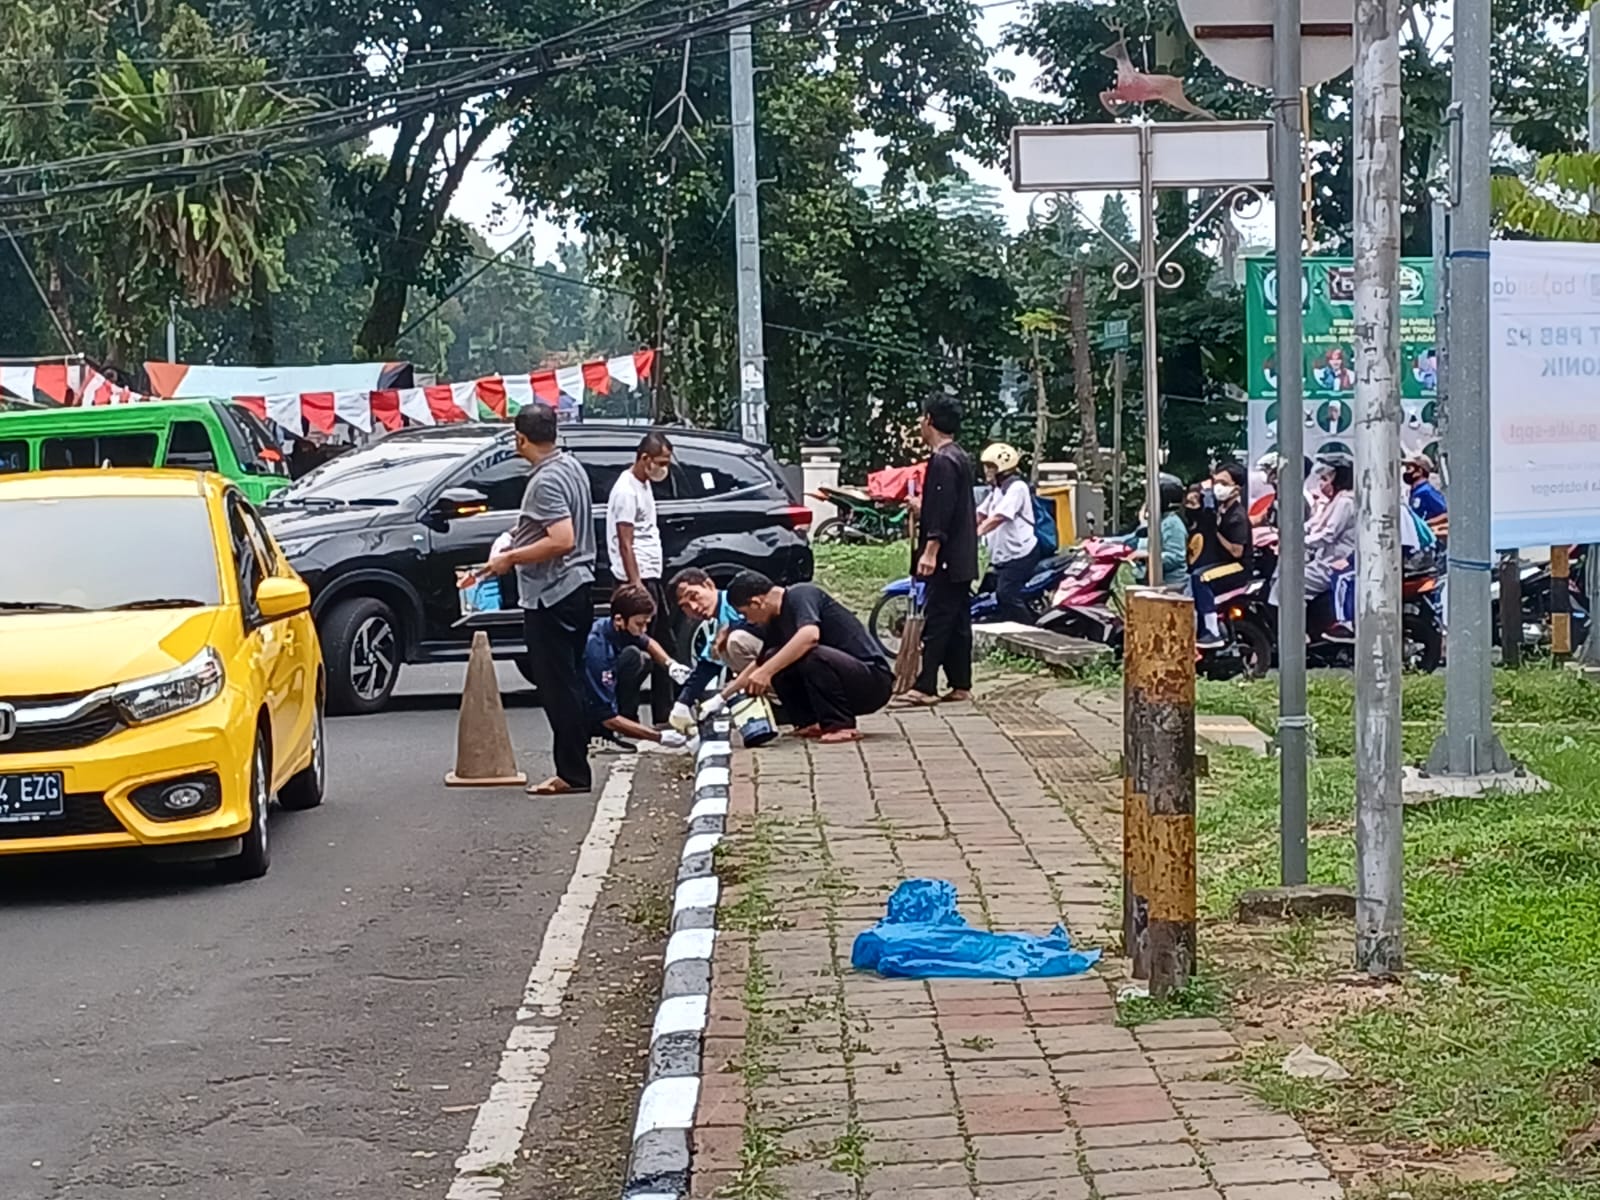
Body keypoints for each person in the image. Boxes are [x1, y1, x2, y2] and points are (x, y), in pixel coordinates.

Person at [485, 403, 597, 796]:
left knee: (558, 685)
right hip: (579, 586)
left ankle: (572, 772)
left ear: (520, 438)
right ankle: (576, 761)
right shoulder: (571, 467)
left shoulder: (546, 481)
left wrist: (511, 557)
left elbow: (562, 539)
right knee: (571, 679)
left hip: (553, 592)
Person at [711, 570, 893, 743]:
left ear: (756, 602)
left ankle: (840, 725)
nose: (749, 621)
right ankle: (808, 721)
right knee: (774, 656)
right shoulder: (773, 621)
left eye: (745, 614)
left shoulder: (801, 595)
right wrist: (721, 698)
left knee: (810, 654)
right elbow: (759, 665)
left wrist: (767, 671)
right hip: (840, 682)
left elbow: (809, 636)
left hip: (872, 680)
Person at [899, 394, 978, 706]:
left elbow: (943, 512)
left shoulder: (943, 461)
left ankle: (926, 684)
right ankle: (960, 683)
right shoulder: (960, 456)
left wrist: (930, 551)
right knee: (958, 621)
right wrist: (924, 508)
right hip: (961, 555)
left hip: (945, 556)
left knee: (938, 619)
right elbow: (948, 507)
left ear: (929, 420)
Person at [607, 430, 676, 725]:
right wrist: (635, 586)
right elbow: (625, 542)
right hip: (637, 579)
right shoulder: (626, 491)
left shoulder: (643, 484)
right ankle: (631, 716)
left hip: (650, 574)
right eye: (660, 462)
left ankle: (665, 713)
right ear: (644, 458)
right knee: (636, 651)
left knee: (664, 645)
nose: (664, 469)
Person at [584, 584, 694, 751]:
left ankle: (626, 723)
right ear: (619, 619)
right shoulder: (597, 649)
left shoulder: (620, 627)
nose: (643, 630)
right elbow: (607, 716)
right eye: (640, 624)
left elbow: (648, 642)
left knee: (636, 658)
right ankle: (599, 734)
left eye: (646, 624)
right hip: (578, 694)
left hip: (602, 675)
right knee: (602, 711)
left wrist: (671, 665)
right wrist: (658, 737)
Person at [667, 566, 765, 729]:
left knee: (734, 641)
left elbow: (767, 628)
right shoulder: (720, 619)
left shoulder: (736, 601)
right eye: (685, 606)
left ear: (709, 585)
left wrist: (732, 629)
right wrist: (683, 703)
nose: (694, 607)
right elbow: (709, 663)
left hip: (785, 654)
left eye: (695, 596)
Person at [975, 442, 1041, 623]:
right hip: (1002, 558)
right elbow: (981, 513)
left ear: (1002, 468)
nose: (986, 471)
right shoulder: (997, 490)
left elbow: (998, 517)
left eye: (990, 467)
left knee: (1006, 595)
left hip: (1020, 556)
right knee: (983, 597)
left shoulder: (1017, 488)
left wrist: (977, 532)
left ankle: (1031, 633)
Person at [1189, 461, 1251, 648]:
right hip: (1223, 562)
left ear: (1236, 489)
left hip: (1238, 566)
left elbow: (1237, 551)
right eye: (1216, 482)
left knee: (1201, 578)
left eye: (1224, 483)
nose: (1218, 487)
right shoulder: (1221, 510)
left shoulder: (1237, 516)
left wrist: (1215, 532)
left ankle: (1212, 631)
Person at [1403, 452, 1447, 522]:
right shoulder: (1415, 492)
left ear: (1419, 471)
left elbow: (1444, 512)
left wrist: (1426, 525)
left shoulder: (1427, 492)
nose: (1406, 472)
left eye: (1409, 468)